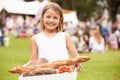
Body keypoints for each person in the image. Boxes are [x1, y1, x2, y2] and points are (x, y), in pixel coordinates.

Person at [25, 2, 82, 71]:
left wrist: (78, 63)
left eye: (55, 18)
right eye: (48, 17)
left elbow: (75, 56)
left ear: (60, 20)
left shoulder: (65, 36)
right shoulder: (35, 39)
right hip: (45, 74)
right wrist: (26, 67)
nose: (51, 20)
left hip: (64, 73)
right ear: (42, 18)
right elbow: (33, 60)